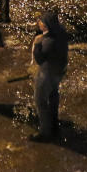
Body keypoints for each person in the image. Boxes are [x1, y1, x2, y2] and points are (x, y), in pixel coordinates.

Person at [30, 10, 68, 142]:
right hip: (59, 70)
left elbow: (40, 59)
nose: (39, 23)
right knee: (53, 94)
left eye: (41, 22)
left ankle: (45, 131)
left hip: (47, 73)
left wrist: (37, 44)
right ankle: (54, 120)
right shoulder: (61, 32)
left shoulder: (48, 42)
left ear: (47, 26)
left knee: (40, 100)